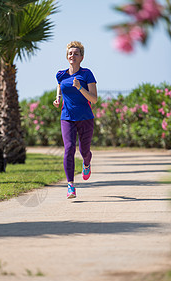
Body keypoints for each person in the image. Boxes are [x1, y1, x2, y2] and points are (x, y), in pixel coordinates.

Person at [53, 41, 97, 199]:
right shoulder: (61, 74)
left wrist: (79, 87)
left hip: (85, 117)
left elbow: (94, 99)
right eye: (70, 53)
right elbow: (60, 85)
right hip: (67, 117)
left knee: (84, 150)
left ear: (81, 57)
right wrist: (58, 98)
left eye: (76, 53)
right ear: (67, 56)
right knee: (69, 149)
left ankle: (87, 163)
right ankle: (70, 185)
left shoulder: (87, 74)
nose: (72, 55)